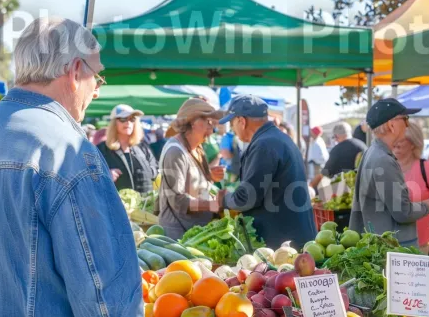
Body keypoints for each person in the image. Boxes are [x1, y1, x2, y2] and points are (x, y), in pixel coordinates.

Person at [0, 18, 159, 317]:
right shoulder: (69, 153)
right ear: (75, 69)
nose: (97, 90)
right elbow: (109, 310)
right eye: (98, 76)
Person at [220, 94, 317, 249]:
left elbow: (247, 197)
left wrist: (224, 200)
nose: (233, 130)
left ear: (241, 121)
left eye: (232, 124)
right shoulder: (277, 138)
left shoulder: (264, 145)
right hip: (292, 238)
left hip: (283, 244)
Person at [349, 98, 429, 247]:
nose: (408, 124)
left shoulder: (372, 153)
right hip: (391, 250)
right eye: (405, 119)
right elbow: (403, 212)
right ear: (391, 125)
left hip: (379, 244)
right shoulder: (384, 160)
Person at [156, 98, 226, 240]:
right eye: (208, 122)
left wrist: (211, 177)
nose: (212, 130)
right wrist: (212, 205)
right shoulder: (175, 152)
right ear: (193, 122)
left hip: (195, 231)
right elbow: (178, 200)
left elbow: (192, 181)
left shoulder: (197, 149)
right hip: (180, 236)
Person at [394, 121, 429, 265]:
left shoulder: (427, 168)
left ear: (413, 143)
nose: (396, 143)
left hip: (425, 240)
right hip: (394, 241)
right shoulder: (387, 168)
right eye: (395, 139)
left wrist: (422, 209)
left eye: (401, 139)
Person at [97, 104, 158, 193]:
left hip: (145, 204)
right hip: (117, 204)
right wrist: (106, 176)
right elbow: (91, 178)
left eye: (132, 119)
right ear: (114, 123)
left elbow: (155, 169)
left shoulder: (143, 147)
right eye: (123, 119)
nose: (128, 123)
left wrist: (147, 171)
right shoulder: (101, 149)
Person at [309, 122, 367, 189]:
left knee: (323, 193)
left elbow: (326, 173)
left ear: (336, 136)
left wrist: (311, 186)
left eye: (334, 137)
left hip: (347, 188)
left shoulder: (337, 150)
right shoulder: (362, 145)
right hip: (364, 186)